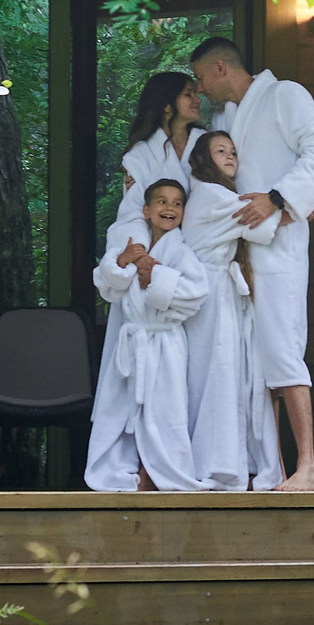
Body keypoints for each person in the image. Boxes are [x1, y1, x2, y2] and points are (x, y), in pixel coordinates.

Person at [189, 35, 314, 492]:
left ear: (219, 68)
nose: (198, 89)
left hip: (280, 252)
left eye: (199, 78)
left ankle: (308, 468)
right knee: (252, 367)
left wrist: (280, 199)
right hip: (238, 258)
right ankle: (271, 469)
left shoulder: (284, 95)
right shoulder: (224, 118)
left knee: (283, 354)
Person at [81, 179, 206, 492]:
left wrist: (156, 277)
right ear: (147, 210)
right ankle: (121, 470)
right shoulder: (133, 247)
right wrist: (121, 262)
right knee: (120, 410)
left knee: (165, 411)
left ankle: (160, 473)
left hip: (165, 342)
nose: (169, 208)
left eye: (177, 203)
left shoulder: (182, 251)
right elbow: (109, 288)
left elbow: (196, 293)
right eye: (162, 202)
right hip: (133, 342)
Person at [178, 131, 285, 490]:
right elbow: (259, 223)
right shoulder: (212, 195)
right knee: (219, 375)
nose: (230, 156)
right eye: (220, 150)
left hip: (214, 293)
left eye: (234, 151)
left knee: (215, 375)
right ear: (204, 158)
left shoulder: (208, 193)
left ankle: (217, 460)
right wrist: (297, 208)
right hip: (210, 295)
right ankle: (218, 465)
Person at [112, 71, 204, 229]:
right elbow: (133, 211)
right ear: (167, 106)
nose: (198, 100)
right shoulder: (140, 154)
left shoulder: (207, 143)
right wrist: (140, 249)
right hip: (159, 245)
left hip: (205, 241)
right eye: (188, 94)